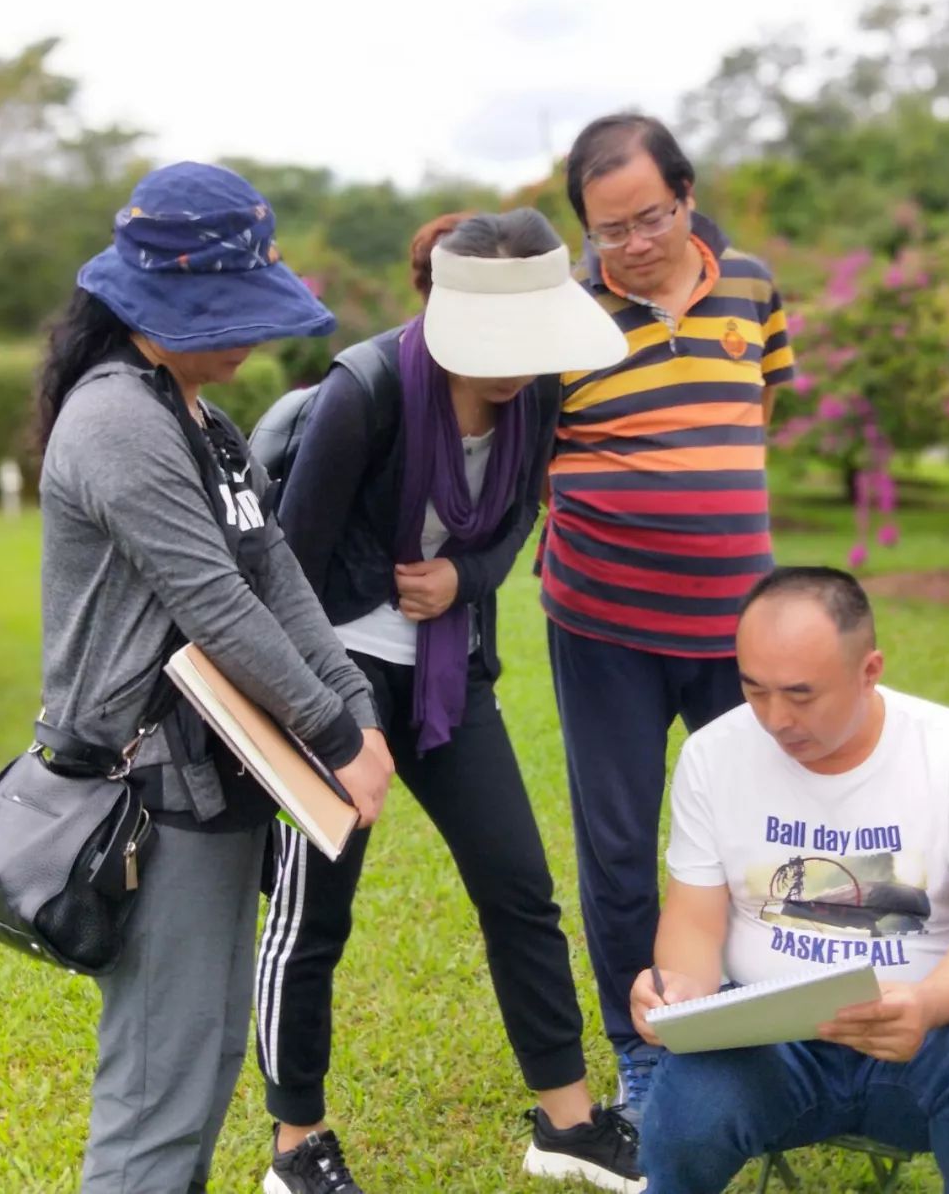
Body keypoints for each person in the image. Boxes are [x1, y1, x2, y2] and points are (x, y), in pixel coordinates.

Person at [254, 209, 643, 1194]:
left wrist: (464, 577)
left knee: (519, 887)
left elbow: (520, 515)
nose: (514, 368)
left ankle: (568, 1125)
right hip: (334, 672)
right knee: (313, 914)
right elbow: (288, 569)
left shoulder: (537, 393)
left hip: (447, 668)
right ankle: (296, 1143)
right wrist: (327, 715)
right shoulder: (366, 390)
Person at [36, 162, 393, 1194]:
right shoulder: (118, 421)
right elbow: (216, 604)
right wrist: (334, 736)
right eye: (229, 310)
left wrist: (356, 707)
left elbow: (275, 572)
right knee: (158, 1094)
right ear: (158, 303)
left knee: (201, 1060)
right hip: (148, 793)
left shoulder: (202, 420)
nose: (252, 336)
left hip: (214, 778)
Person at [629, 566, 949, 1194]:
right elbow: (694, 920)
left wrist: (927, 1006)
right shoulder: (714, 755)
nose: (776, 718)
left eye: (802, 695)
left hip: (926, 1033)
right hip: (770, 1041)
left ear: (868, 671)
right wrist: (680, 991)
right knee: (687, 1109)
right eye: (754, 689)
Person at [539, 112, 796, 1117]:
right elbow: (525, 460)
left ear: (686, 196)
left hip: (740, 627)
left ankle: (766, 1020)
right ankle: (641, 1046)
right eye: (609, 229)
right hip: (604, 626)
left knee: (764, 830)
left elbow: (757, 414)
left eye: (649, 217)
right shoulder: (564, 319)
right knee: (618, 844)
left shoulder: (753, 288)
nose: (634, 243)